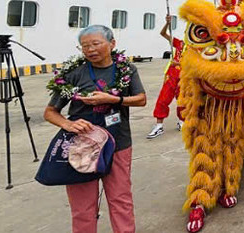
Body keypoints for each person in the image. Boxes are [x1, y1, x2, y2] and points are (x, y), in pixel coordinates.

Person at [43, 25, 147, 233]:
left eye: (96, 44)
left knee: (120, 198)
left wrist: (114, 99)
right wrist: (69, 124)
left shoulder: (126, 69)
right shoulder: (73, 74)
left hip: (118, 144)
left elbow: (141, 99)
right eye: (85, 46)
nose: (90, 50)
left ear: (112, 44)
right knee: (82, 206)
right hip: (82, 146)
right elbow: (50, 112)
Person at [147, 15, 185, 139]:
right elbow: (163, 33)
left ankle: (182, 121)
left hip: (185, 76)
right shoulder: (180, 43)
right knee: (163, 98)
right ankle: (159, 125)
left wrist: (179, 63)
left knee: (183, 100)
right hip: (172, 74)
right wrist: (168, 24)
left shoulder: (197, 48)